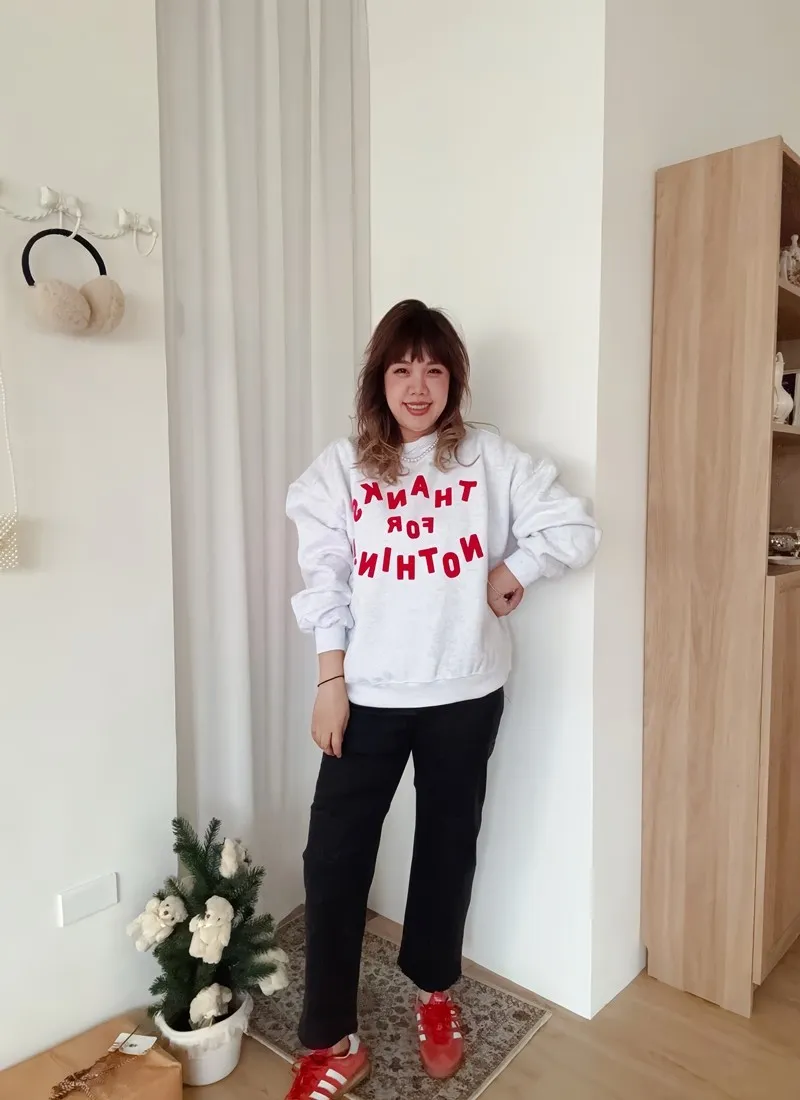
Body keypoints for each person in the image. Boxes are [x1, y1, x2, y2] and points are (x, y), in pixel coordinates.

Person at [284, 299, 600, 1098]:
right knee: (332, 859)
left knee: (446, 846)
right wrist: (329, 681)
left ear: (454, 380)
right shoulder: (340, 470)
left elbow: (572, 528)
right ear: (378, 380)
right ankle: (333, 1040)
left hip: (466, 692)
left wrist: (514, 570)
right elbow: (325, 580)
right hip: (366, 696)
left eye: (433, 369)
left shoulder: (487, 459)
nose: (418, 386)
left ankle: (432, 992)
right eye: (401, 369)